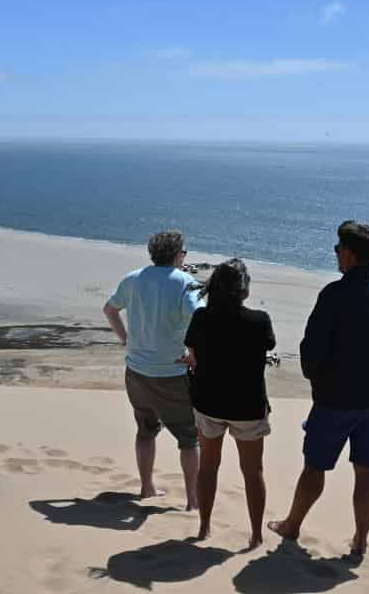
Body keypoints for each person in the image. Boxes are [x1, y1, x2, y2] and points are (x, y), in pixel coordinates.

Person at [268, 220, 369, 556]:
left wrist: (317, 377)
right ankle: (360, 541)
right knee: (366, 469)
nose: (335, 254)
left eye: (337, 248)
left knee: (315, 466)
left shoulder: (334, 294)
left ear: (348, 254)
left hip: (334, 398)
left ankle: (291, 526)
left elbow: (312, 350)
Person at [179, 258, 276, 549]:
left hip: (209, 402)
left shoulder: (201, 319)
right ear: (243, 289)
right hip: (247, 406)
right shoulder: (260, 321)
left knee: (208, 467)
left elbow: (193, 354)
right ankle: (256, 534)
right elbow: (267, 346)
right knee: (253, 471)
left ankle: (205, 527)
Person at [103, 230, 202, 510]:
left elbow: (109, 310)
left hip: (136, 370)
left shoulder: (133, 278)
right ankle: (193, 500)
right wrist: (194, 353)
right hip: (171, 374)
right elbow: (201, 319)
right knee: (188, 437)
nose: (184, 257)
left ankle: (147, 487)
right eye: (183, 252)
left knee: (145, 430)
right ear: (176, 255)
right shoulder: (185, 283)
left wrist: (126, 340)